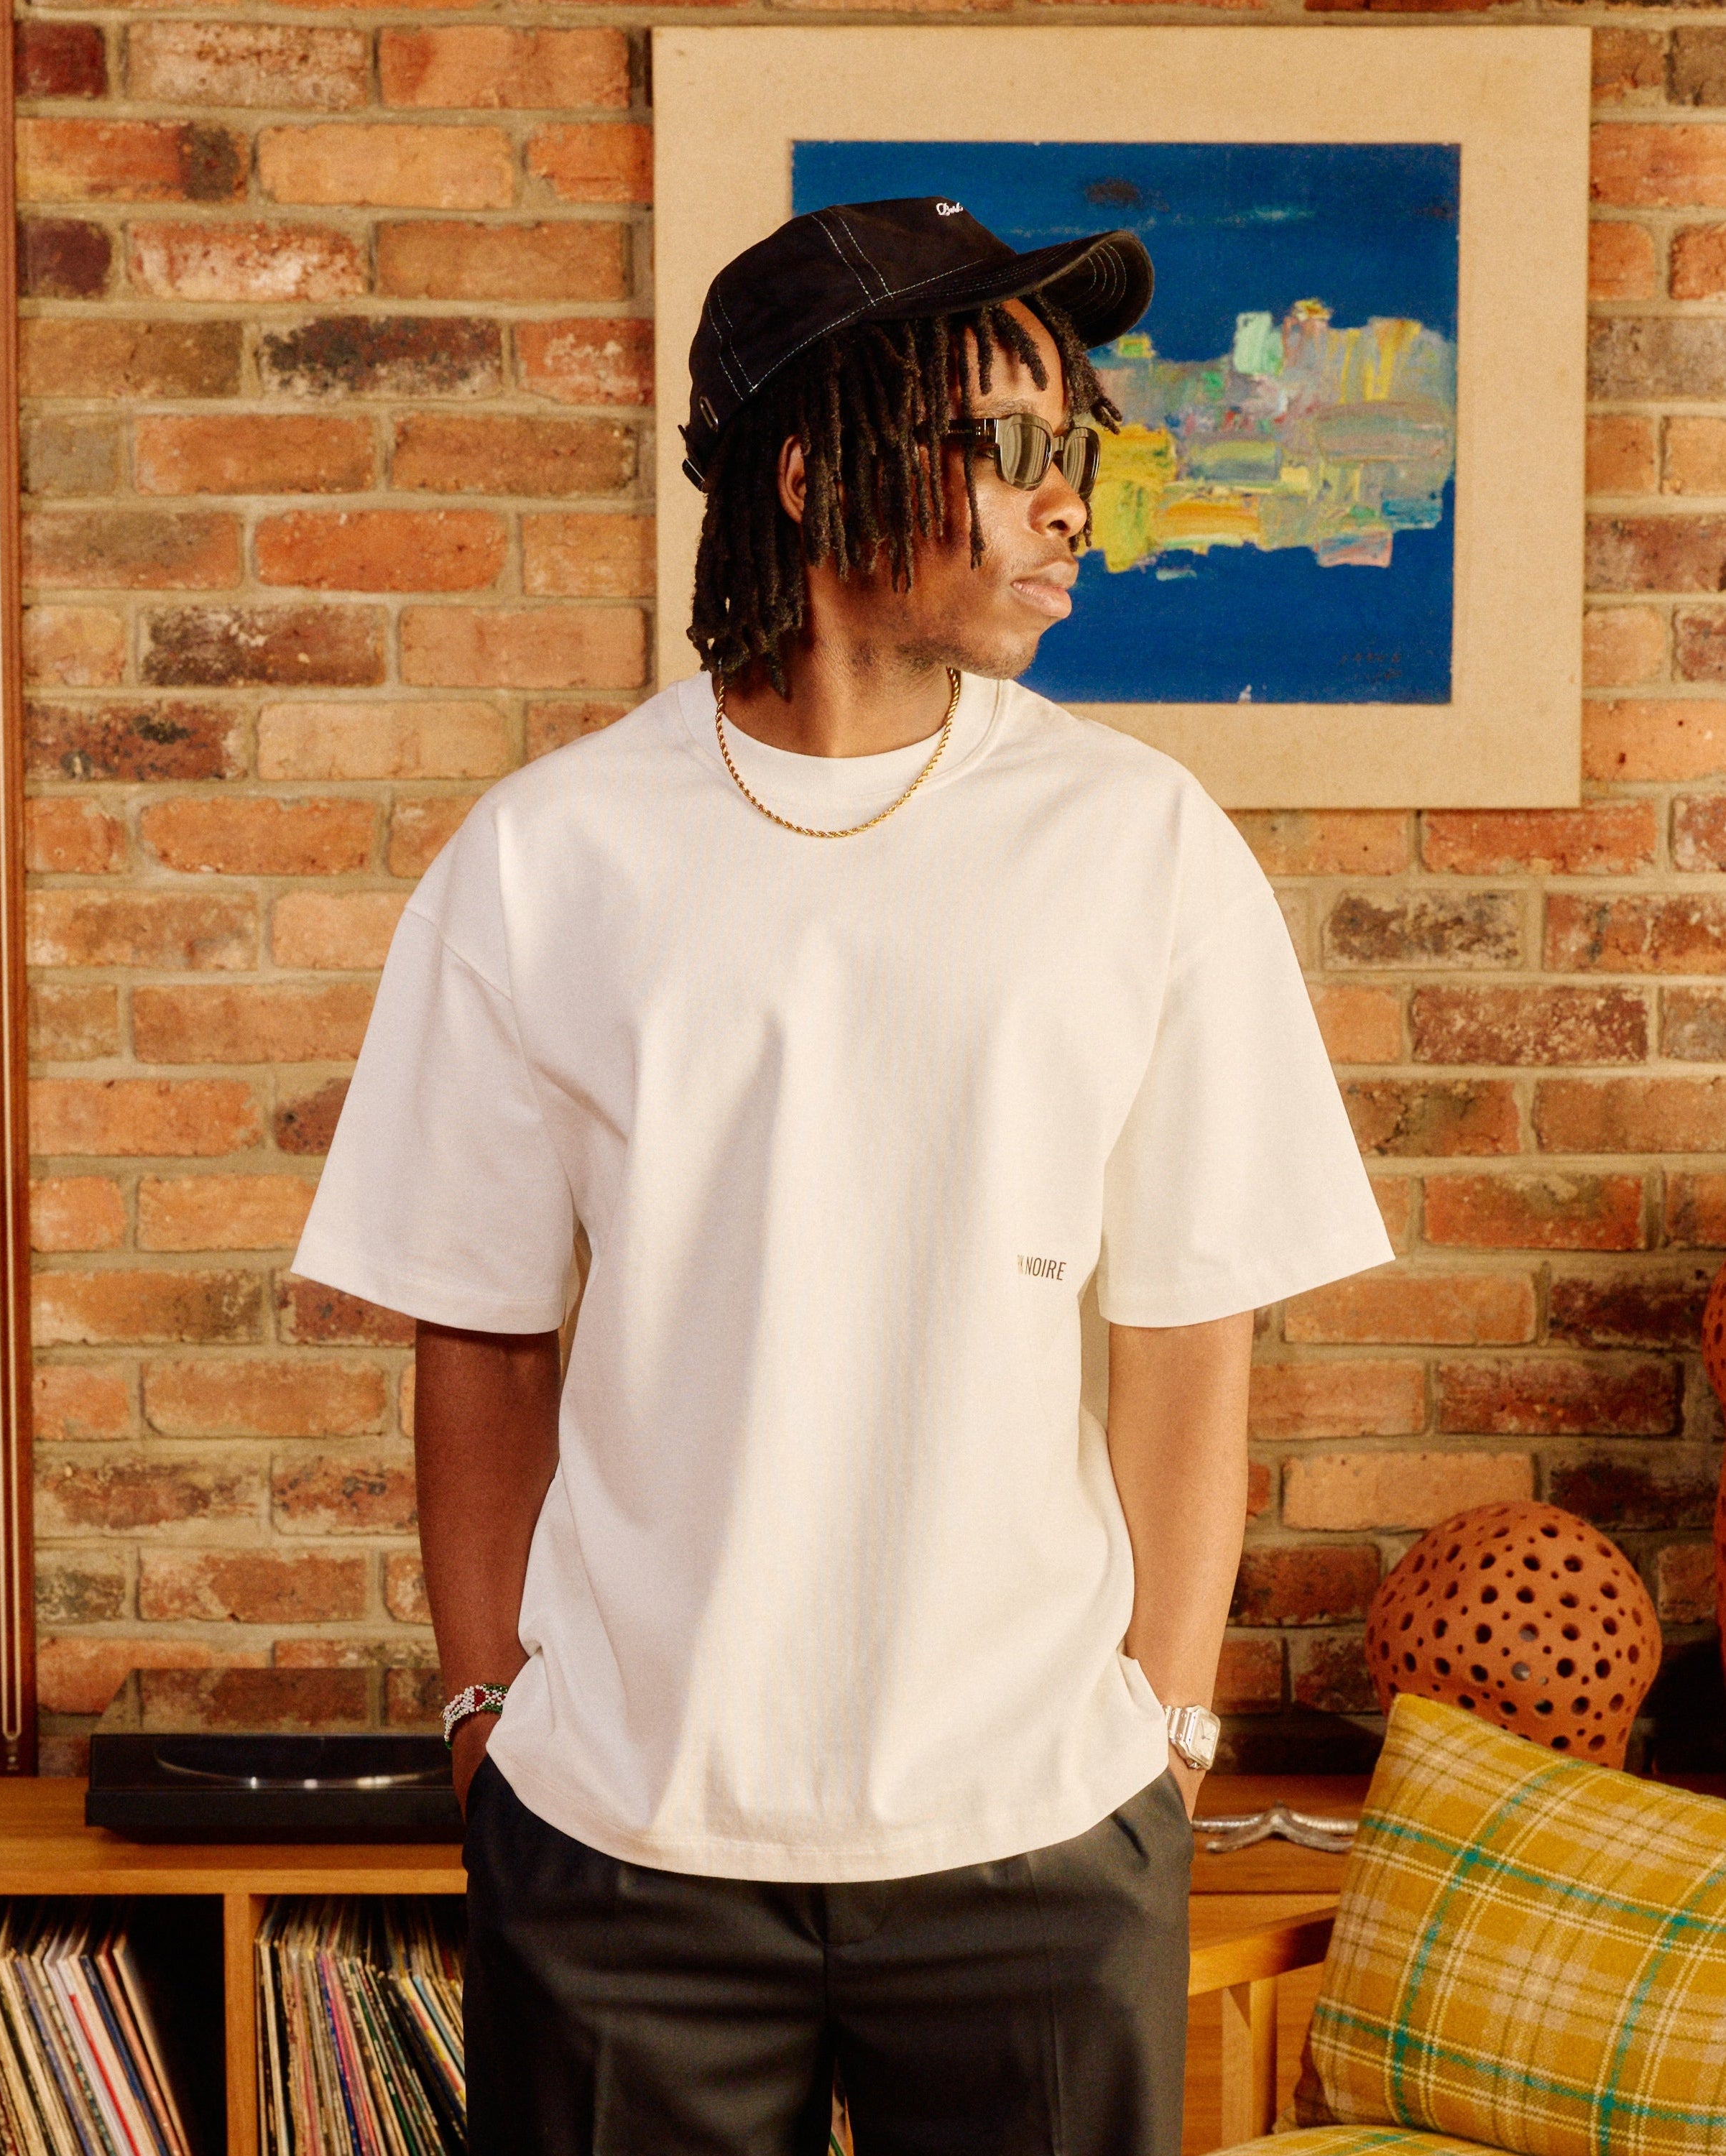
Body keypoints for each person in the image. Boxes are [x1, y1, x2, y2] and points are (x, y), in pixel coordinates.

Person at [292, 196, 1393, 2156]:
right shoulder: (546, 859)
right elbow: (478, 1330)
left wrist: (1163, 1733)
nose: (1068, 500)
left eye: (1077, 444)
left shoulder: (1138, 845)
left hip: (1039, 1831)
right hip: (622, 1840)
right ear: (810, 472)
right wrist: (486, 1726)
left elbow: (1186, 1334)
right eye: (1011, 443)